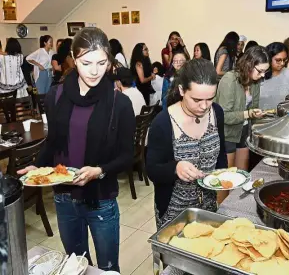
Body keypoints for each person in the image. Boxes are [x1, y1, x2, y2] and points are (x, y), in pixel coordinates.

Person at [18, 27, 135, 272]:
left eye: (101, 63)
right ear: (73, 57)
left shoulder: (120, 103)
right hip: (64, 196)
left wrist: (100, 170)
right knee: (76, 266)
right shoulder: (56, 96)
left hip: (101, 198)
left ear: (110, 61)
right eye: (86, 62)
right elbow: (54, 143)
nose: (94, 71)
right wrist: (37, 167)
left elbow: (126, 155)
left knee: (107, 268)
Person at [146, 58, 227, 231]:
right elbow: (152, 169)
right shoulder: (163, 122)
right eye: (197, 100)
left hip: (208, 206)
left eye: (210, 99)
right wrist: (175, 168)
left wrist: (223, 178)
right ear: (182, 90)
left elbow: (221, 155)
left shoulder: (217, 113)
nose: (204, 106)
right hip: (175, 211)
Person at [214, 46, 269, 202]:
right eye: (260, 71)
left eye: (265, 71)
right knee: (226, 180)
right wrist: (248, 113)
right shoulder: (229, 80)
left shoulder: (255, 82)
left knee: (241, 177)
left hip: (244, 131)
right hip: (227, 133)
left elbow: (254, 107)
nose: (262, 75)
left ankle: (236, 208)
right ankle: (222, 211)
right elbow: (223, 115)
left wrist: (258, 116)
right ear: (249, 65)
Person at [259, 42, 289, 110]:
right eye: (278, 60)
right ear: (268, 58)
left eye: (284, 59)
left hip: (284, 117)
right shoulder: (259, 75)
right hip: (262, 118)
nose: (282, 63)